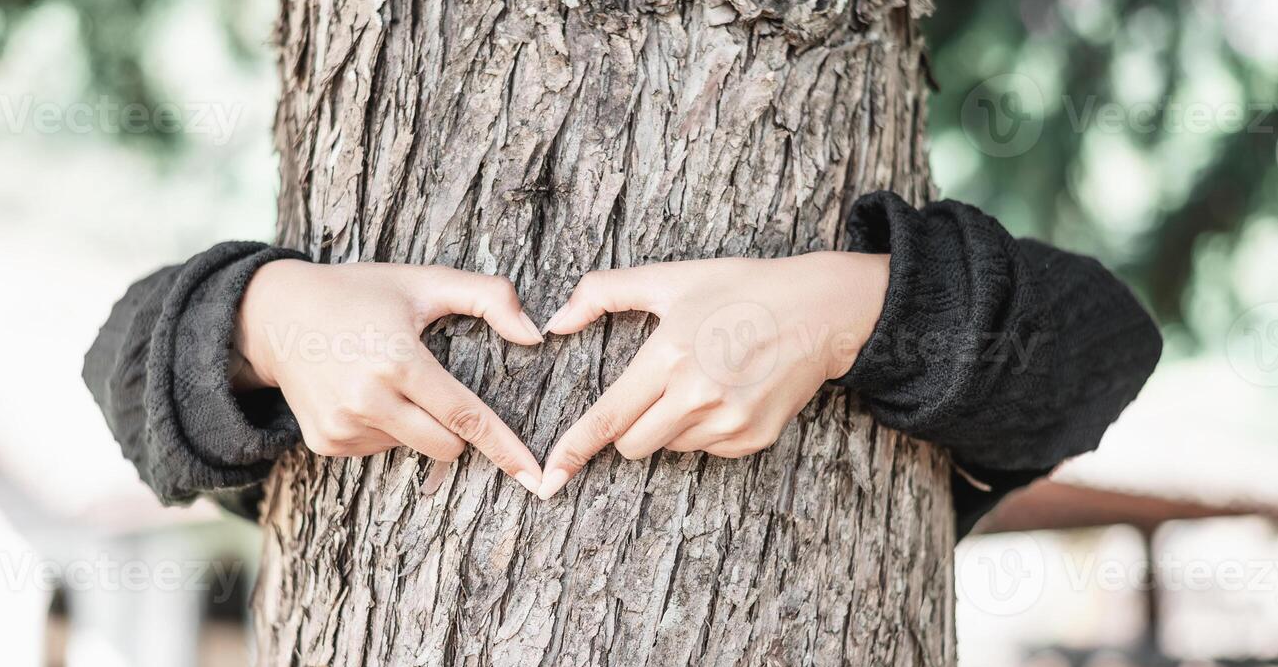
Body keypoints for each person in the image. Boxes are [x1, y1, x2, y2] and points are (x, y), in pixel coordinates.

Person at [82, 191, 1162, 537]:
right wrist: (266, 319)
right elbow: (119, 367)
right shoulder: (310, 406)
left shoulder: (926, 371)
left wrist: (848, 308)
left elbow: (1105, 347)